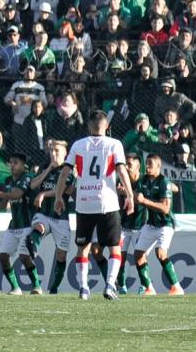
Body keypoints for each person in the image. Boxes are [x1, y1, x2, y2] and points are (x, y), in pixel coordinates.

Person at [55, 110, 135, 300]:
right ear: (107, 126)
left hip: (84, 203)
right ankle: (109, 286)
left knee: (83, 247)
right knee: (115, 247)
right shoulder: (114, 144)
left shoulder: (78, 145)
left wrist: (59, 196)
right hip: (108, 202)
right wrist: (130, 195)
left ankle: (83, 289)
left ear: (89, 126)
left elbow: (64, 173)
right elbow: (122, 171)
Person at [0, 152, 42, 295]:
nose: (12, 165)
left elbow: (17, 195)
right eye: (11, 162)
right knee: (3, 257)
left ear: (23, 166)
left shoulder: (28, 177)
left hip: (28, 225)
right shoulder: (8, 180)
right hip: (13, 226)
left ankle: (37, 286)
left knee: (24, 256)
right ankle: (15, 287)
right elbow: (5, 204)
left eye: (16, 163)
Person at [24, 141, 74, 294]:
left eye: (57, 151)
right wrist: (48, 170)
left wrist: (43, 194)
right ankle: (33, 245)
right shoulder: (46, 168)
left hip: (61, 217)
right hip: (44, 214)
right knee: (38, 226)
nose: (53, 154)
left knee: (61, 255)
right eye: (51, 151)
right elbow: (32, 185)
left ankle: (54, 287)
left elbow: (64, 189)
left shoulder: (69, 170)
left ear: (65, 153)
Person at [133, 154, 185, 296]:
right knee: (138, 254)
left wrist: (144, 201)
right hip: (151, 224)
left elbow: (165, 208)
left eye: (150, 164)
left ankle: (176, 287)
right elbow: (137, 195)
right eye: (146, 163)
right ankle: (149, 288)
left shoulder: (163, 181)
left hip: (165, 223)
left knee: (160, 253)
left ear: (158, 166)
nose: (147, 166)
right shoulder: (144, 180)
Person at [115, 154, 144, 295]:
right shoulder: (120, 181)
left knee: (140, 257)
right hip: (124, 227)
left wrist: (127, 192)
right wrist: (118, 192)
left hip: (141, 227)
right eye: (125, 164)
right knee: (120, 257)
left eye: (130, 165)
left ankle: (145, 285)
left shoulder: (144, 180)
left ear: (138, 167)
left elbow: (174, 187)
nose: (126, 167)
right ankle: (122, 286)